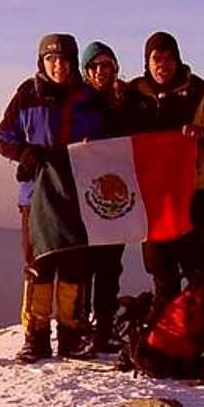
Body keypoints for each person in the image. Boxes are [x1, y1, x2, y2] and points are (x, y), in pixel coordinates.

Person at [0, 33, 109, 363]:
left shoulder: (88, 99)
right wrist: (24, 153)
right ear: (41, 62)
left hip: (77, 196)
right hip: (36, 195)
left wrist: (94, 148)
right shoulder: (27, 95)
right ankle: (37, 337)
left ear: (73, 62)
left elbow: (107, 140)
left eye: (63, 59)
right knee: (39, 266)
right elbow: (2, 136)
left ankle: (71, 336)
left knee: (75, 266)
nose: (58, 65)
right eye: (50, 59)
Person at [127, 31, 204, 306]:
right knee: (159, 263)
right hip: (152, 195)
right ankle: (169, 327)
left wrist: (202, 133)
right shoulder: (134, 93)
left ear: (177, 59)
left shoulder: (201, 92)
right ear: (146, 62)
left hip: (192, 191)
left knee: (199, 263)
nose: (162, 64)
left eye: (168, 58)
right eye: (156, 58)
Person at [79, 41, 128, 352]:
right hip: (84, 195)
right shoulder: (77, 104)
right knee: (84, 262)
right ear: (87, 71)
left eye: (106, 64)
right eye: (95, 66)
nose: (101, 71)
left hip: (119, 196)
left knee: (110, 263)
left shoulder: (127, 102)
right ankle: (81, 326)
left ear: (115, 68)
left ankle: (105, 326)